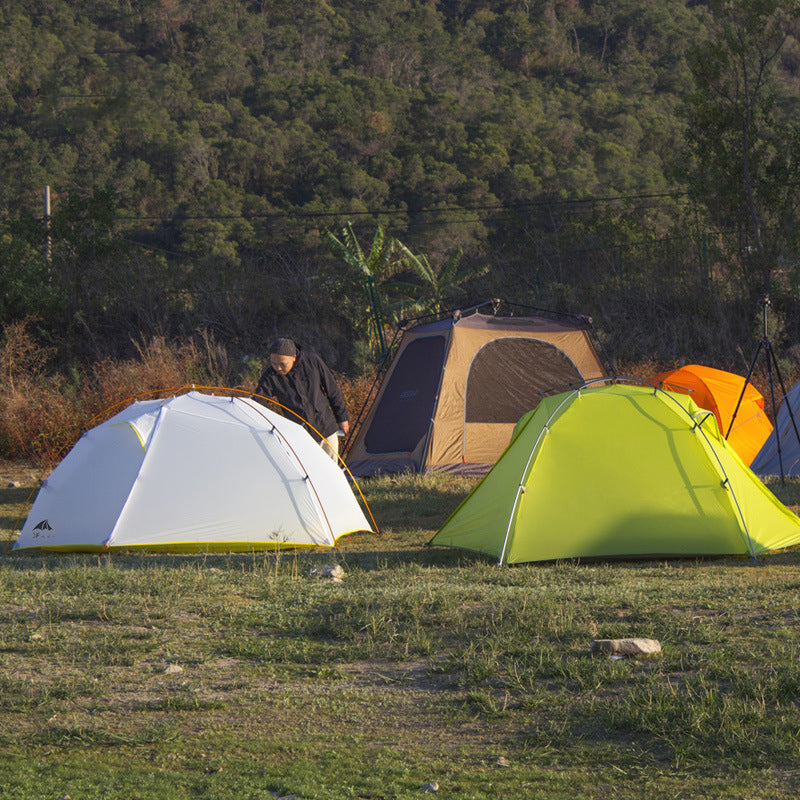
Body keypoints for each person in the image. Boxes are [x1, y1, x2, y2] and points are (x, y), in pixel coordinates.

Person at [254, 338, 350, 461]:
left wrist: (342, 418)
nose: (277, 368)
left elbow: (332, 390)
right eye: (273, 363)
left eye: (282, 364)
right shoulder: (270, 376)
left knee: (331, 470)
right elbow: (259, 401)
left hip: (325, 426)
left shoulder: (313, 361)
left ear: (294, 357)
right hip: (299, 435)